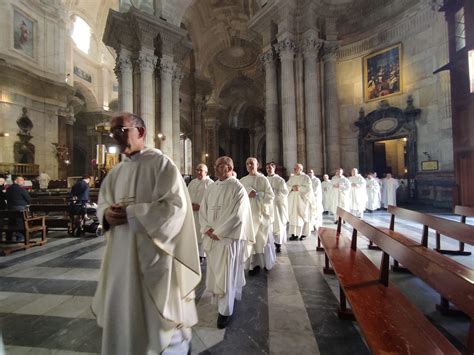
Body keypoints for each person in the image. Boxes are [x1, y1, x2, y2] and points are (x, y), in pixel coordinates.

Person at [92, 112, 201, 355]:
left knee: (158, 320)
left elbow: (175, 209)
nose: (116, 136)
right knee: (124, 315)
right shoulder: (115, 173)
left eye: (121, 130)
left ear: (140, 132)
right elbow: (102, 205)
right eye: (113, 132)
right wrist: (106, 216)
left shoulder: (162, 165)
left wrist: (133, 214)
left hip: (153, 256)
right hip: (120, 258)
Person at [199, 156, 255, 329]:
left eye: (218, 165)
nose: (215, 168)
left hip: (228, 240)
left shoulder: (238, 188)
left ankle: (226, 311)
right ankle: (220, 303)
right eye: (215, 165)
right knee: (217, 274)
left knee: (227, 275)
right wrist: (207, 229)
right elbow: (203, 209)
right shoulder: (212, 187)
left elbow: (238, 216)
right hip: (212, 237)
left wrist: (219, 232)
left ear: (229, 167)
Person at [240, 157, 275, 275]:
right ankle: (252, 265)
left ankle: (265, 263)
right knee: (250, 240)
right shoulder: (242, 180)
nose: (250, 165)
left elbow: (271, 196)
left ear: (257, 165)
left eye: (252, 163)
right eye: (247, 163)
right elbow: (238, 196)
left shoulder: (263, 179)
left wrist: (258, 194)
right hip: (247, 215)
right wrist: (247, 192)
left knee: (261, 240)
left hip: (260, 214)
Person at [187, 163, 213, 263]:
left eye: (200, 170)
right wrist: (190, 205)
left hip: (204, 214)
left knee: (202, 233)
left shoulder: (210, 183)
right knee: (194, 232)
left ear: (206, 172)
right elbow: (187, 195)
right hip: (193, 213)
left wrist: (200, 206)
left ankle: (203, 254)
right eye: (197, 170)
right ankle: (195, 253)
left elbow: (212, 200)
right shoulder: (192, 182)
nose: (198, 172)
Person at [265, 162, 288, 253]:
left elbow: (285, 192)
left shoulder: (280, 180)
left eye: (270, 168)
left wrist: (274, 191)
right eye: (267, 168)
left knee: (278, 225)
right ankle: (270, 242)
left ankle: (278, 244)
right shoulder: (264, 179)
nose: (268, 169)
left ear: (274, 168)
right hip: (267, 206)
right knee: (269, 225)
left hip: (277, 206)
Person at [287, 163, 312, 240]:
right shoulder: (292, 178)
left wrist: (299, 188)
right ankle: (294, 234)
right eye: (294, 168)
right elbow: (287, 186)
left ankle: (303, 234)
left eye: (296, 168)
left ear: (301, 169)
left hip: (302, 201)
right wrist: (291, 188)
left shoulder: (306, 178)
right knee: (293, 217)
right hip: (293, 201)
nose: (294, 170)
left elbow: (308, 189)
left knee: (302, 216)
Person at [5, 176, 31, 242]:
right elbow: (28, 199)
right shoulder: (21, 189)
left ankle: (8, 238)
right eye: (21, 180)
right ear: (15, 181)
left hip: (10, 208)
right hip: (20, 209)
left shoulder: (8, 189)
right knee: (20, 223)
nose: (23, 181)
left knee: (11, 222)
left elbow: (6, 197)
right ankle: (20, 238)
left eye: (23, 180)